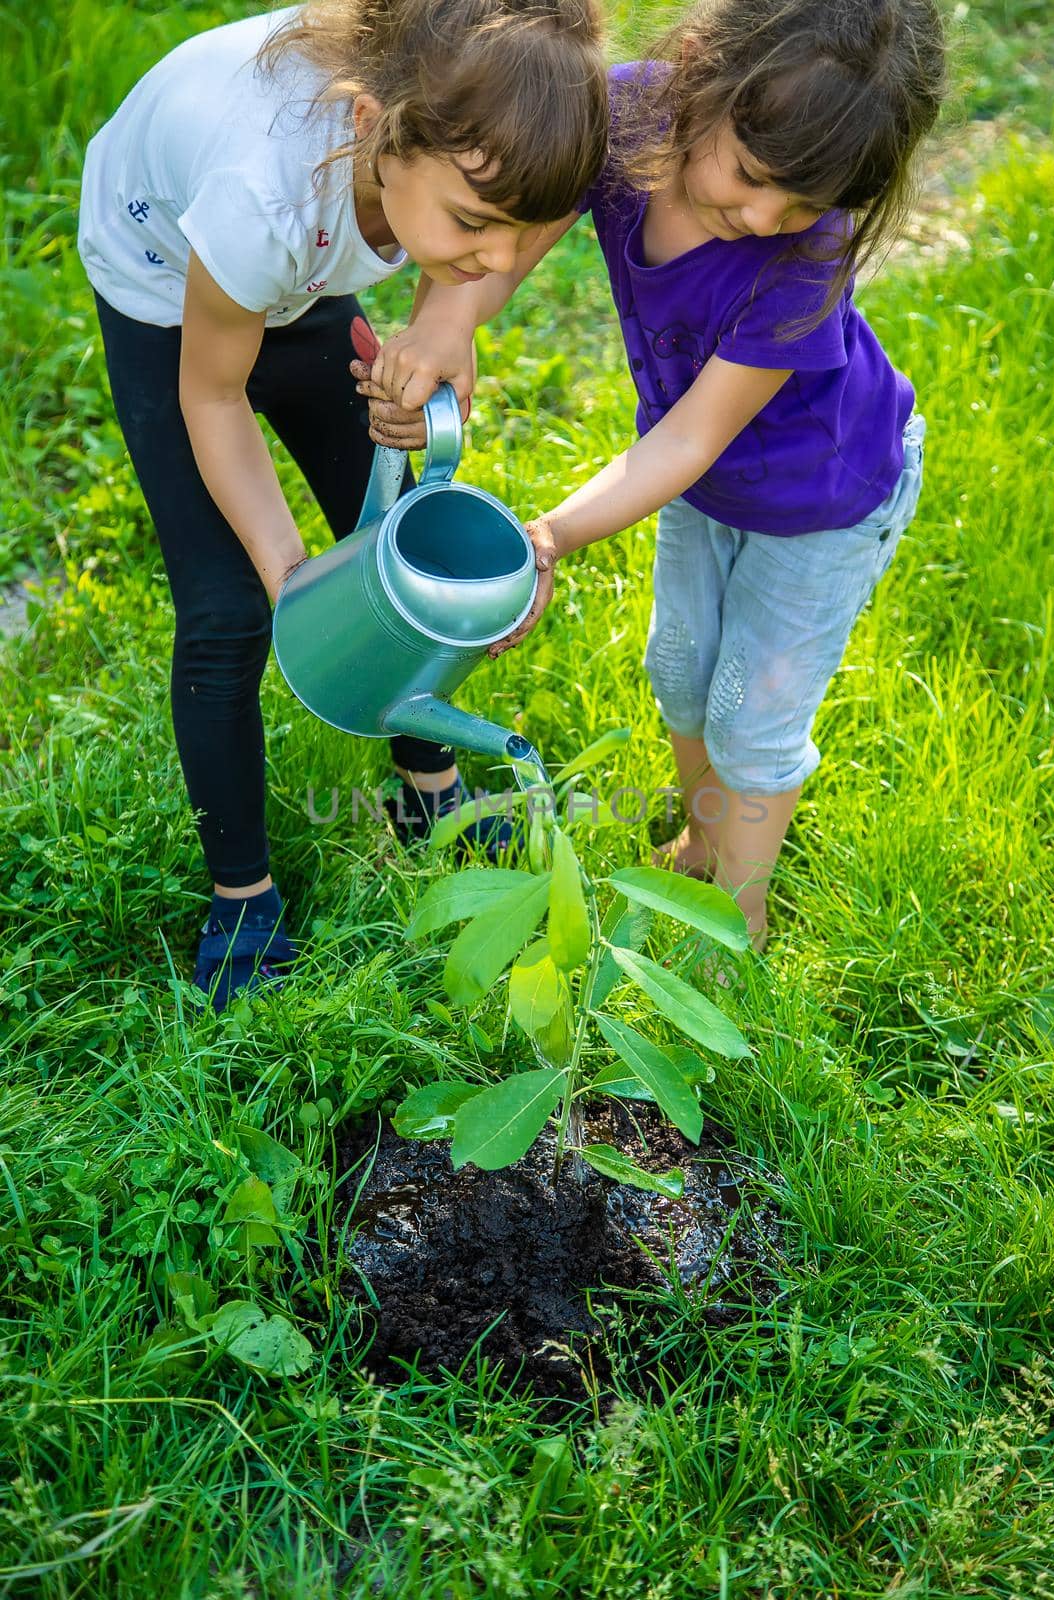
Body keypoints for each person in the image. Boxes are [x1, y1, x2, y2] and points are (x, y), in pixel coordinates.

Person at [361, 0, 946, 950]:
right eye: (753, 177)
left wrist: (546, 535)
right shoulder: (625, 116)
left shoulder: (808, 251)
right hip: (707, 492)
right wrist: (444, 327)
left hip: (827, 501)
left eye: (801, 200)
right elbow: (512, 244)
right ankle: (703, 838)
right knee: (679, 670)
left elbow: (686, 443)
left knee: (751, 715)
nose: (764, 217)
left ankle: (736, 915)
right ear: (700, 77)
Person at [77, 0, 608, 1010]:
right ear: (375, 124)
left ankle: (428, 791)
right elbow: (211, 394)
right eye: (469, 228)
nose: (499, 261)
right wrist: (292, 581)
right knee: (229, 606)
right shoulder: (259, 197)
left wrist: (446, 317)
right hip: (170, 290)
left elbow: (534, 218)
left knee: (400, 550)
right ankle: (243, 893)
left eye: (510, 232)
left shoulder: (482, 148)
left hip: (307, 270)